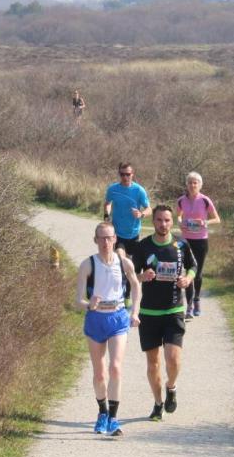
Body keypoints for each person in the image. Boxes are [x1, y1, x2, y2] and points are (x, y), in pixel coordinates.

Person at [76, 221, 141, 437]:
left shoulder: (125, 264)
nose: (105, 242)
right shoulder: (87, 265)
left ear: (115, 239)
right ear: (95, 240)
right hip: (96, 319)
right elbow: (79, 300)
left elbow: (136, 286)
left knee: (115, 367)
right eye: (101, 238)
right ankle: (102, 412)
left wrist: (134, 312)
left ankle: (113, 418)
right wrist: (89, 304)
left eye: (109, 237)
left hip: (118, 318)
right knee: (99, 373)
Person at [133, 205, 197, 421]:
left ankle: (171, 387)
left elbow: (193, 267)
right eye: (159, 220)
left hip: (173, 309)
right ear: (154, 222)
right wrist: (143, 277)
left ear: (173, 222)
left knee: (173, 358)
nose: (163, 224)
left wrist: (187, 279)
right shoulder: (143, 246)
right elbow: (131, 276)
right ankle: (158, 403)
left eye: (167, 220)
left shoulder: (181, 244)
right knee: (153, 363)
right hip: (149, 312)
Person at [176, 171, 221, 318]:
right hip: (186, 241)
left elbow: (217, 219)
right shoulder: (181, 200)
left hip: (201, 240)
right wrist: (179, 221)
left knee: (198, 274)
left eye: (195, 182)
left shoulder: (205, 200)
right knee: (188, 271)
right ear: (187, 184)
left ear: (200, 185)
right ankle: (188, 306)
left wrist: (205, 222)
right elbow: (178, 215)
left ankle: (196, 300)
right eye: (190, 182)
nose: (192, 185)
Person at [104, 162, 151, 258]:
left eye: (128, 174)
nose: (125, 177)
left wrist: (141, 214)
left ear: (132, 174)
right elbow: (108, 203)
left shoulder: (139, 190)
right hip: (117, 233)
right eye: (122, 174)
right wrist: (107, 215)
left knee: (130, 262)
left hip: (133, 233)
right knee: (120, 257)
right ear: (119, 174)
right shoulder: (112, 189)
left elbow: (149, 209)